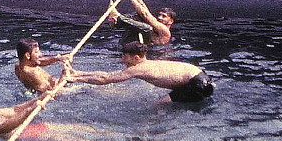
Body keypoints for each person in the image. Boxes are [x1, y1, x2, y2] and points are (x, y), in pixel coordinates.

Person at [0, 85, 110, 141]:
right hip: (25, 136)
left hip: (27, 129)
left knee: (78, 128)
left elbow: (12, 110)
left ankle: (126, 137)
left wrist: (39, 99)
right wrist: (29, 111)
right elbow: (2, 127)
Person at [65, 41, 215, 104]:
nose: (122, 58)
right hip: (200, 78)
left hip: (198, 85)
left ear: (136, 57)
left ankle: (153, 129)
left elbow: (105, 79)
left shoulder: (138, 69)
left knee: (157, 105)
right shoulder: (144, 64)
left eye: (125, 56)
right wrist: (77, 73)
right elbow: (107, 74)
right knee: (164, 101)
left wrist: (75, 79)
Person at [106, 0, 174, 47]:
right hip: (142, 46)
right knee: (138, 17)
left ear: (171, 21)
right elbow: (145, 10)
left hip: (153, 52)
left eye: (164, 16)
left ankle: (118, 18)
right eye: (159, 15)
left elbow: (145, 15)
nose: (159, 17)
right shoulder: (158, 25)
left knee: (147, 28)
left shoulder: (165, 31)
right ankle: (116, 22)